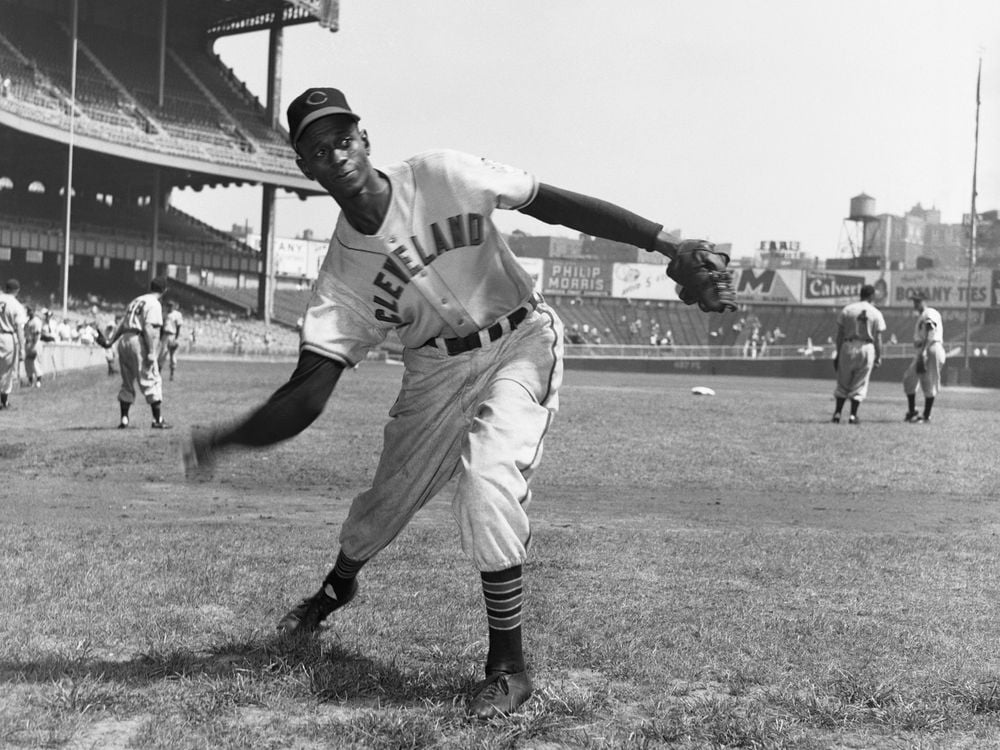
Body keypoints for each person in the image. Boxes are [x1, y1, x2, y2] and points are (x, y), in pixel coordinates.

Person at [181, 86, 726, 720]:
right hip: (433, 372)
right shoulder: (341, 281)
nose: (336, 153)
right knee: (384, 502)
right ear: (305, 167)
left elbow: (551, 204)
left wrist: (667, 243)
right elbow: (306, 396)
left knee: (486, 478)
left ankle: (508, 670)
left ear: (365, 139)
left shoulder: (441, 173)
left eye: (344, 137)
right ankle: (334, 591)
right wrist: (225, 438)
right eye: (318, 148)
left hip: (520, 337)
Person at [98, 277, 170, 429]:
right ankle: (157, 420)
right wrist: (151, 352)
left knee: (127, 381)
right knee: (151, 378)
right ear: (164, 290)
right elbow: (149, 328)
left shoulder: (136, 300)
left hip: (124, 340)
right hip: (138, 340)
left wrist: (111, 342)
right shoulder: (154, 304)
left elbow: (123, 324)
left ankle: (124, 418)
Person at [831, 284, 885, 424]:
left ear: (860, 294)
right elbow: (878, 338)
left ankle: (837, 413)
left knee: (843, 381)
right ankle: (853, 415)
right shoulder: (875, 312)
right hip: (866, 347)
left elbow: (839, 335)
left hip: (847, 345)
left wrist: (838, 353)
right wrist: (879, 356)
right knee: (860, 383)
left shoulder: (848, 309)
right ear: (872, 296)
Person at [903, 292, 945, 423]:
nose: (915, 303)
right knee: (909, 379)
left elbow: (931, 331)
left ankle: (926, 416)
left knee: (928, 383)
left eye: (918, 301)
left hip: (931, 348)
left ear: (923, 301)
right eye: (914, 301)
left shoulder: (929, 312)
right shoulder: (921, 315)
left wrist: (924, 351)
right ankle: (912, 411)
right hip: (926, 348)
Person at [0, 278, 27, 409]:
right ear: (17, 291)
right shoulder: (16, 304)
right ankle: (3, 401)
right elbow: (20, 328)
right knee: (6, 370)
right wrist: (23, 348)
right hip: (7, 337)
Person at [158, 300, 183, 381]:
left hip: (172, 335)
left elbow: (178, 327)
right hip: (165, 336)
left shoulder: (177, 314)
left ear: (174, 306)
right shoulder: (164, 314)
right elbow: (161, 327)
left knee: (173, 356)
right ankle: (158, 374)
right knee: (162, 355)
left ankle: (172, 374)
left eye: (171, 306)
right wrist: (160, 338)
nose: (170, 307)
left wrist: (176, 339)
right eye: (168, 305)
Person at [23, 305, 44, 387]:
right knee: (28, 363)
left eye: (30, 310)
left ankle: (38, 381)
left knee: (36, 363)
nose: (29, 312)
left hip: (35, 343)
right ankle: (30, 381)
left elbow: (37, 333)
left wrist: (33, 344)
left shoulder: (36, 321)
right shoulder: (28, 321)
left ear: (34, 311)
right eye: (28, 310)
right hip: (28, 343)